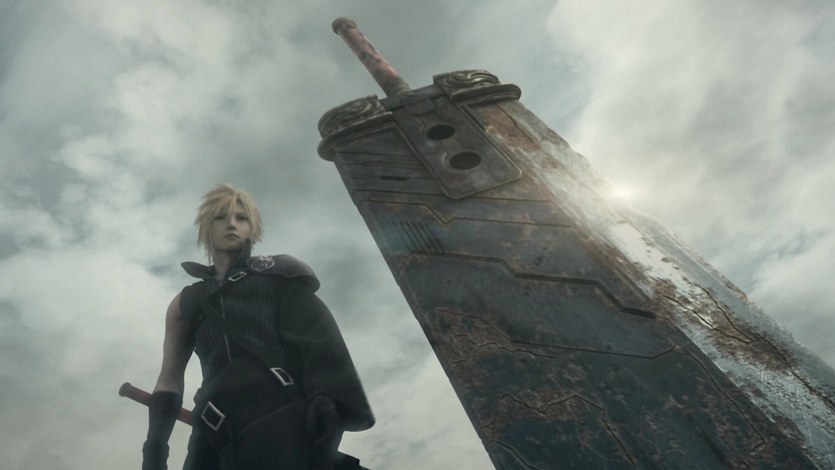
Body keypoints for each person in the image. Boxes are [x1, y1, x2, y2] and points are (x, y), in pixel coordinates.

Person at [142, 184, 374, 470]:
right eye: (220, 218)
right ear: (206, 228)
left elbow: (320, 339)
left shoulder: (281, 277)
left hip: (276, 408)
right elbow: (169, 381)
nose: (231, 224)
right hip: (213, 424)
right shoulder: (184, 303)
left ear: (252, 228)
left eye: (241, 218)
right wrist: (154, 450)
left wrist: (326, 396)